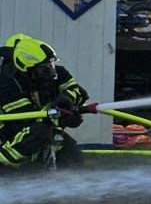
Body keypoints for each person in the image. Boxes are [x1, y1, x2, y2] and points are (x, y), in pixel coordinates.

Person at [0, 34, 89, 169]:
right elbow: (26, 119)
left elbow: (79, 92)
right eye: (44, 68)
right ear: (27, 68)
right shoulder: (7, 85)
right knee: (38, 132)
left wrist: (68, 100)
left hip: (45, 127)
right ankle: (4, 164)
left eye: (51, 64)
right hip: (9, 132)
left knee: (72, 156)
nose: (51, 71)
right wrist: (60, 117)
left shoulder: (58, 73)